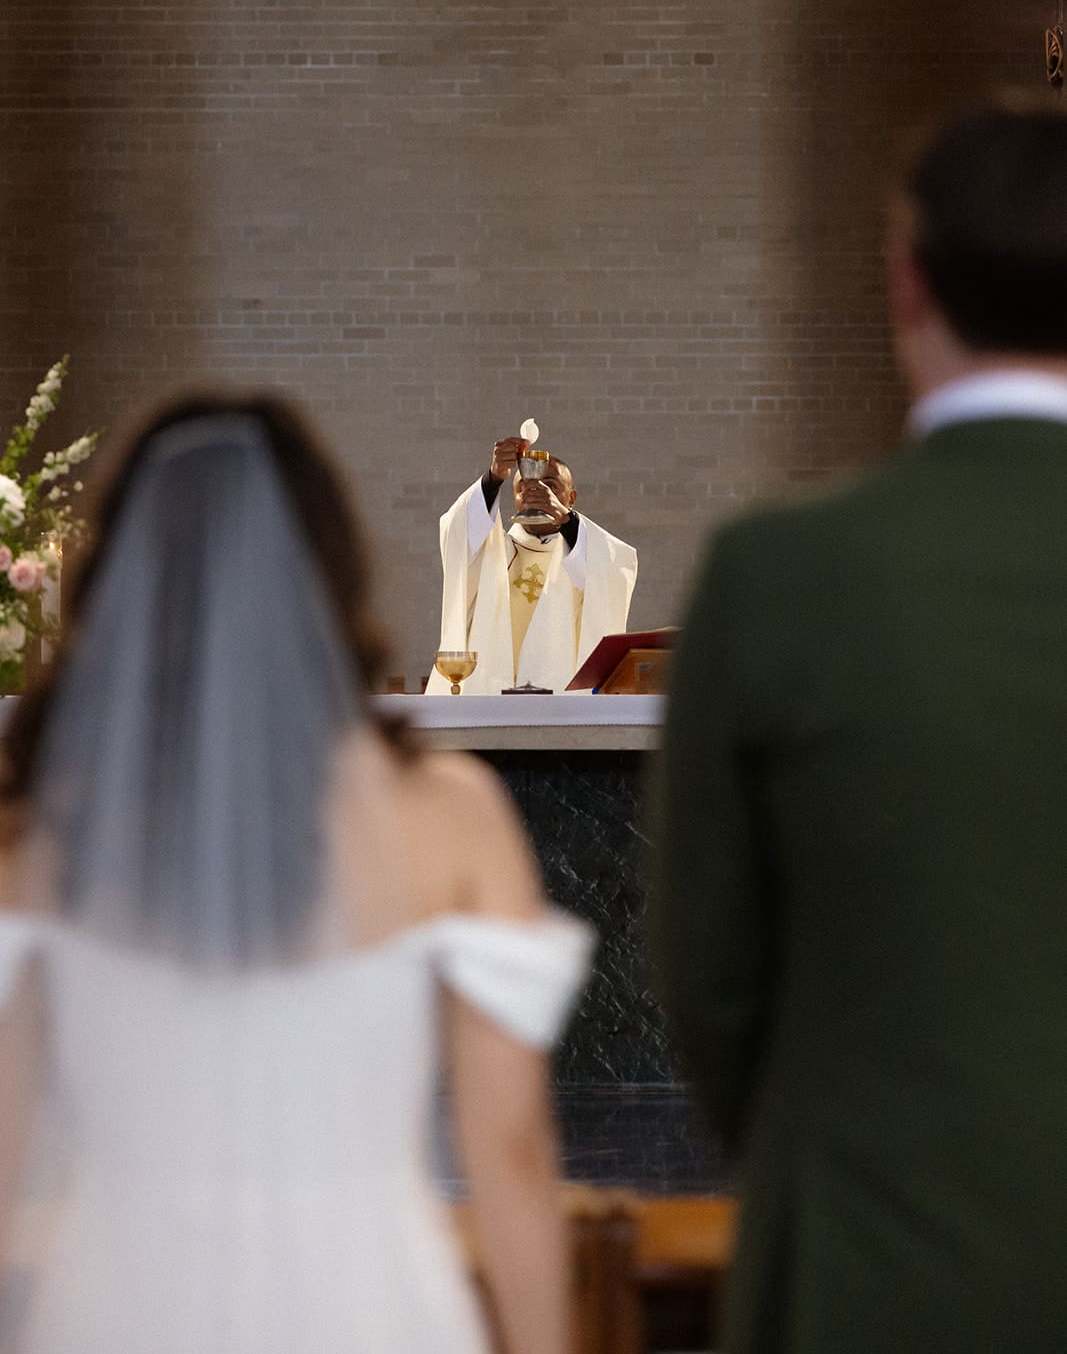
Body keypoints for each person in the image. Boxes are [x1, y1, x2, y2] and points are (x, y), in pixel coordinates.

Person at [0, 391, 592, 1354]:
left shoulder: (33, 834)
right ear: (325, 569)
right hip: (372, 1313)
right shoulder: (446, 814)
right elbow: (512, 1151)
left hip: (115, 1313)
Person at [654, 101, 1067, 1353]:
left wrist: (821, 1152)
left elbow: (708, 973)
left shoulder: (777, 573)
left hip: (866, 1264)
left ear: (904, 283)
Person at [428, 436, 638, 693]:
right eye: (524, 486)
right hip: (487, 692)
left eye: (550, 485)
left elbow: (616, 567)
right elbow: (457, 532)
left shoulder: (585, 552)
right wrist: (494, 478)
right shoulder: (491, 554)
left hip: (562, 698)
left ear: (571, 498)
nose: (537, 491)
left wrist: (567, 521)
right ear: (515, 498)